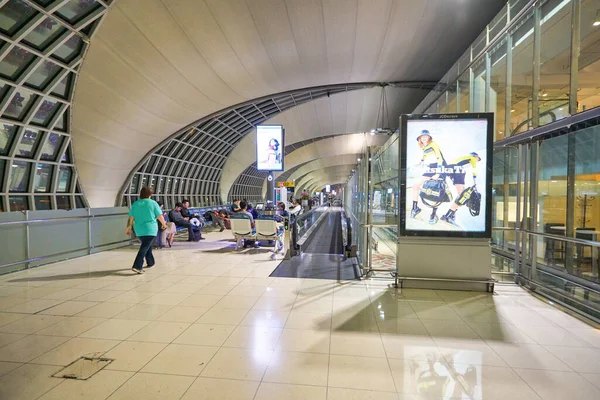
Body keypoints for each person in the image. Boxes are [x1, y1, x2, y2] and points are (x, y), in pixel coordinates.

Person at [126, 187, 166, 274]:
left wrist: (128, 227)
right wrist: (164, 224)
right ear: (150, 194)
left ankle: (150, 262)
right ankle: (137, 266)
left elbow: (131, 217)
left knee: (147, 245)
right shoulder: (153, 203)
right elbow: (159, 216)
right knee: (144, 247)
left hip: (139, 229)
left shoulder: (135, 204)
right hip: (150, 229)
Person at [410, 130, 448, 224]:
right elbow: (425, 155)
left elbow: (439, 158)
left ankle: (433, 215)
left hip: (440, 166)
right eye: (422, 136)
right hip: (431, 167)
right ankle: (415, 208)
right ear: (419, 138)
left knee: (437, 191)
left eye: (426, 136)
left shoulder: (433, 144)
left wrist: (438, 173)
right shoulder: (424, 147)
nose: (424, 137)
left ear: (429, 137)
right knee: (415, 186)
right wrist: (421, 161)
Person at [441, 152, 481, 226]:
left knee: (462, 195)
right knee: (463, 196)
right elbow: (474, 172)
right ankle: (448, 216)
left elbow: (453, 167)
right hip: (458, 170)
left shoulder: (463, 158)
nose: (478, 161)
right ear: (475, 156)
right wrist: (475, 184)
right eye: (478, 159)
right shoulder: (472, 159)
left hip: (453, 170)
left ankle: (451, 215)